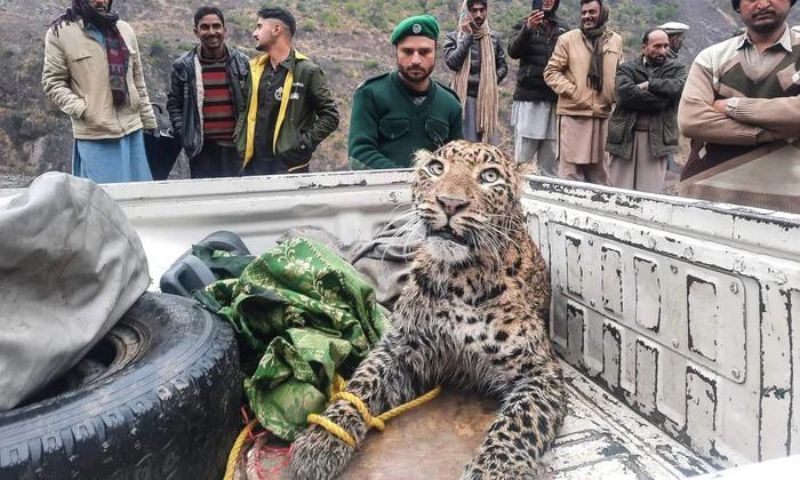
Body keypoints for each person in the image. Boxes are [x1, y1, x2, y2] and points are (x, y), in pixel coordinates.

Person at [678, 0, 800, 212]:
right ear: (737, 5)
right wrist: (769, 132)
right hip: (705, 193)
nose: (762, 4)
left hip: (788, 202)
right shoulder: (712, 57)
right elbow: (691, 120)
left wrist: (731, 107)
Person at [42, 0, 157, 183]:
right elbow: (53, 82)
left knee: (138, 200)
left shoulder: (124, 29)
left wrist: (149, 123)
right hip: (96, 134)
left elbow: (137, 79)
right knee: (102, 202)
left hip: (132, 130)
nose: (100, 1)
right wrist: (84, 110)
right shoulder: (60, 33)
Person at [348, 15, 463, 170]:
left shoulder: (450, 104)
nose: (415, 60)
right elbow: (359, 154)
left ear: (435, 52)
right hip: (380, 191)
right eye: (408, 51)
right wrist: (404, 180)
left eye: (424, 52)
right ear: (396, 52)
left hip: (431, 193)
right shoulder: (370, 94)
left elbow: (458, 161)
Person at [235, 7, 339, 175]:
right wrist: (239, 140)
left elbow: (330, 116)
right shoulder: (255, 70)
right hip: (253, 166)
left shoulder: (307, 71)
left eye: (259, 26)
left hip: (289, 168)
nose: (255, 33)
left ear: (277, 29)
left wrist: (301, 145)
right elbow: (244, 111)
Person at [543, 0, 622, 185]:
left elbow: (619, 72)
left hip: (602, 116)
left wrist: (614, 95)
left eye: (592, 12)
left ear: (603, 12)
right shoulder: (568, 39)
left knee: (601, 177)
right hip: (574, 115)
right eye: (584, 12)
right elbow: (551, 72)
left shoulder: (615, 40)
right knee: (571, 176)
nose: (587, 16)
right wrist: (573, 91)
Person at [167, 6, 250, 179]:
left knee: (237, 201)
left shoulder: (243, 64)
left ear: (224, 30)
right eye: (205, 27)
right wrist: (185, 134)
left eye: (216, 26)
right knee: (206, 202)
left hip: (236, 150)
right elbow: (174, 104)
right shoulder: (184, 66)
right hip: (202, 151)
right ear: (196, 32)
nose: (211, 32)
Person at [606, 29, 687, 194]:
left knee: (648, 195)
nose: (662, 51)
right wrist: (661, 99)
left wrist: (649, 85)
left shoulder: (676, 69)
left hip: (656, 142)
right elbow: (624, 95)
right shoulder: (627, 68)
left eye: (665, 46)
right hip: (625, 138)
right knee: (618, 193)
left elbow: (680, 88)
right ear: (644, 47)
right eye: (657, 46)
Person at [507, 0, 566, 176]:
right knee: (523, 159)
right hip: (529, 99)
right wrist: (527, 29)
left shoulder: (563, 28)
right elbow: (513, 51)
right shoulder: (523, 23)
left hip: (555, 100)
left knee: (550, 160)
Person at [443, 0, 507, 143]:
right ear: (467, 12)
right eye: (474, 10)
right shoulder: (453, 37)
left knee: (487, 148)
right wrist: (467, 37)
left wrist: (491, 81)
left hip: (486, 101)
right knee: (463, 146)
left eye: (482, 10)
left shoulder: (494, 38)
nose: (478, 15)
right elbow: (452, 63)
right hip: (462, 100)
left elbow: (502, 66)